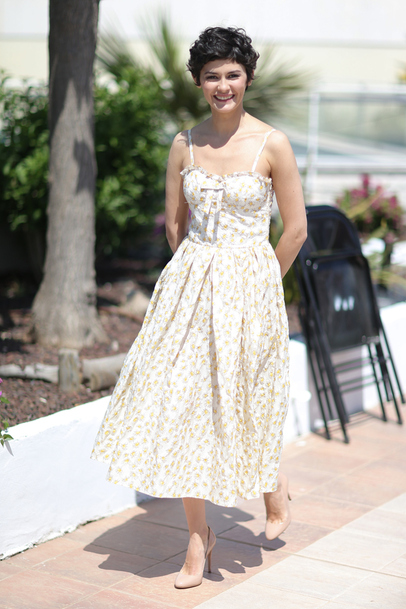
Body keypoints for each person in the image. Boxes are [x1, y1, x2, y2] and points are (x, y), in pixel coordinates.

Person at [91, 26, 307, 589]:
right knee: (185, 405)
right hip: (188, 288)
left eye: (232, 74)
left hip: (252, 290)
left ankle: (271, 481)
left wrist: (257, 283)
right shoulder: (183, 143)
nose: (222, 84)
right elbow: (175, 226)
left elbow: (296, 231)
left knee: (243, 401)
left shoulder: (273, 144)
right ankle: (197, 539)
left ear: (248, 78)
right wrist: (198, 273)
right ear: (198, 82)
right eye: (211, 75)